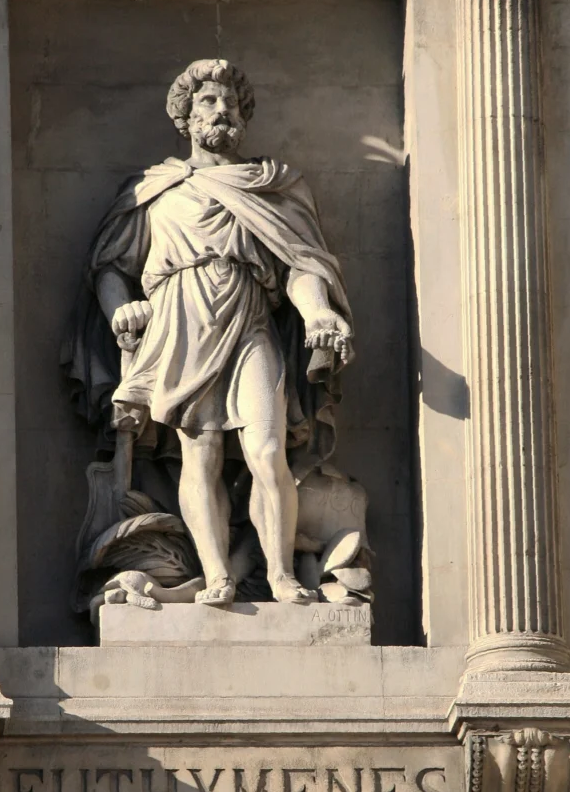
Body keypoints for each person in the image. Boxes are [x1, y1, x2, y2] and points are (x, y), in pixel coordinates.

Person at [62, 59, 353, 606]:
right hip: (181, 327)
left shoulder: (272, 185)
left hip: (251, 323)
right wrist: (121, 307)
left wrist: (317, 313)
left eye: (230, 103)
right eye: (208, 102)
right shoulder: (156, 190)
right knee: (201, 455)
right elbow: (110, 267)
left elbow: (301, 265)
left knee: (268, 452)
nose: (222, 111)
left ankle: (279, 574)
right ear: (186, 117)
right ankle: (217, 575)